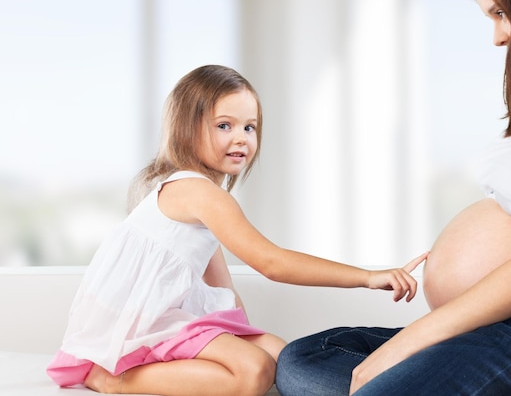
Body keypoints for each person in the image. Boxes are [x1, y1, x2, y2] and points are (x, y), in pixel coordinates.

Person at [275, 0, 511, 394]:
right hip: (500, 322)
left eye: (501, 13)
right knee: (310, 358)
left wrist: (406, 344)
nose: (497, 37)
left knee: (382, 383)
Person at [46, 64, 423, 396]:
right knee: (254, 371)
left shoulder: (201, 197)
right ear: (186, 128)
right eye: (224, 125)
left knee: (282, 353)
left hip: (166, 315)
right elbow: (272, 263)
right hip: (141, 322)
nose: (241, 138)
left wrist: (241, 335)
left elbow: (221, 286)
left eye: (250, 127)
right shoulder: (195, 191)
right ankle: (112, 379)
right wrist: (369, 277)